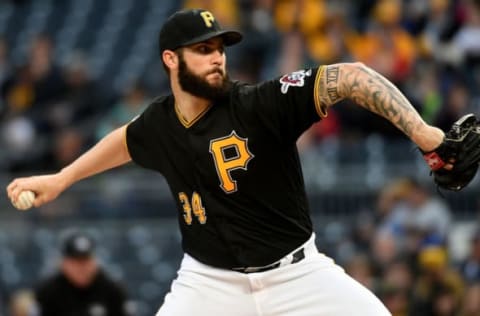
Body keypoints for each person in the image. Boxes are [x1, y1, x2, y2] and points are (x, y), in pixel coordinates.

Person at [7, 8, 451, 316]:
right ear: (171, 59)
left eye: (220, 46)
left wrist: (423, 132)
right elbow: (125, 140)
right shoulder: (160, 122)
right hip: (209, 283)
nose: (217, 55)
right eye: (203, 49)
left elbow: (349, 77)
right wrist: (62, 179)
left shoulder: (261, 104)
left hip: (298, 275)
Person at [33, 231, 132, 316]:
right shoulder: (48, 292)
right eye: (76, 262)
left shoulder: (112, 290)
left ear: (95, 262)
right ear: (64, 263)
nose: (81, 268)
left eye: (85, 261)